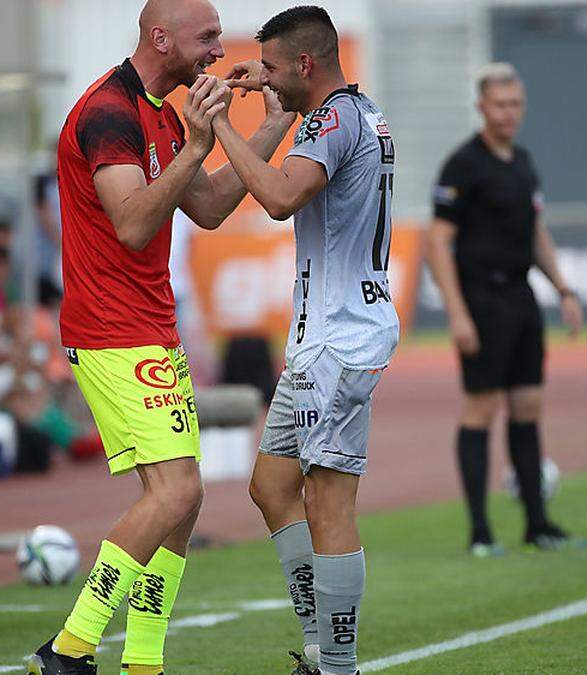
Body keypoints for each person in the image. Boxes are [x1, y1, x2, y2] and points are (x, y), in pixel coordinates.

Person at [27, 1, 295, 673]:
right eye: (206, 38)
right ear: (159, 37)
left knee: (184, 495)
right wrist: (199, 145)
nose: (216, 50)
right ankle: (68, 648)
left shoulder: (164, 113)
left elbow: (203, 207)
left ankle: (143, 660)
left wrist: (268, 129)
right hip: (111, 330)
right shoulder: (109, 112)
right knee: (174, 492)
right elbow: (133, 225)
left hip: (149, 326)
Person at [213, 7, 399, 674]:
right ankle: (321, 645)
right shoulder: (357, 113)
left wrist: (218, 128)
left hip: (342, 341)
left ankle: (336, 663)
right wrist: (269, 109)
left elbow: (278, 196)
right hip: (319, 340)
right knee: (271, 486)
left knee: (327, 499)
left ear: (306, 65)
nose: (261, 76)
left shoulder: (332, 119)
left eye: (270, 66)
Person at [425, 63, 584, 556]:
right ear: (482, 107)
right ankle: (479, 531)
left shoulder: (523, 163)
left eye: (516, 104)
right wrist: (457, 312)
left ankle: (537, 524)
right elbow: (437, 243)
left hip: (520, 298)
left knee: (528, 406)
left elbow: (535, 233)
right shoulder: (464, 165)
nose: (509, 113)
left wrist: (563, 288)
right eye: (500, 104)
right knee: (481, 408)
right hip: (481, 299)